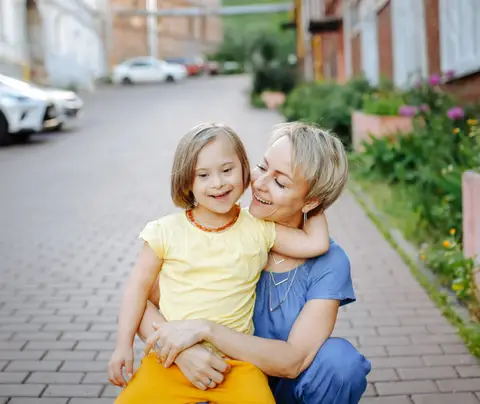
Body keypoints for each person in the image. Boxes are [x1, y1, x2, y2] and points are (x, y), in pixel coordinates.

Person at [139, 122, 372, 404]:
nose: (259, 184)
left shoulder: (330, 262)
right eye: (262, 167)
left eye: (280, 182)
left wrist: (206, 329)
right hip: (218, 377)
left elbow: (294, 361)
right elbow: (144, 302)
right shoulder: (217, 230)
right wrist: (183, 351)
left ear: (310, 201)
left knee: (341, 362)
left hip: (285, 387)